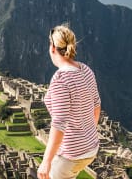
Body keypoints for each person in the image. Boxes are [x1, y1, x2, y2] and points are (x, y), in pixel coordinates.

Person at [37, 24, 101, 179]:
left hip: (71, 155)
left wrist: (46, 161)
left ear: (53, 47)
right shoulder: (85, 70)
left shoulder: (61, 80)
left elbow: (59, 124)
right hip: (91, 148)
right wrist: (86, 135)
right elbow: (97, 107)